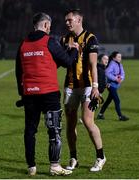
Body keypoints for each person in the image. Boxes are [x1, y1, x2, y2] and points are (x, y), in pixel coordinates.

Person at [15, 12, 79, 176]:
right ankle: (54, 166)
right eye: (49, 26)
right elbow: (67, 62)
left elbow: (19, 72)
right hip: (48, 92)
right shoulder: (49, 41)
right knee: (54, 129)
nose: (50, 29)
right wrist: (74, 50)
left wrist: (22, 93)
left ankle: (31, 166)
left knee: (30, 130)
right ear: (45, 25)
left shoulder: (22, 44)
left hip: (29, 94)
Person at [61, 9, 106, 172]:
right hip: (70, 86)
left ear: (79, 20)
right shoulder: (64, 39)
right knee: (70, 123)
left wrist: (95, 86)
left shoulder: (90, 38)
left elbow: (94, 65)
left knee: (87, 121)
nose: (67, 23)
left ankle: (101, 157)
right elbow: (59, 61)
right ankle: (73, 158)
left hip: (87, 86)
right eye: (66, 20)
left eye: (70, 20)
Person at [97, 51, 129, 121]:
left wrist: (121, 79)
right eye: (118, 57)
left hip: (115, 85)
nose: (120, 58)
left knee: (108, 100)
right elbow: (107, 73)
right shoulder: (112, 64)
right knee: (117, 100)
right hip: (111, 85)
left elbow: (123, 73)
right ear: (114, 58)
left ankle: (100, 114)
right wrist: (115, 79)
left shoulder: (120, 64)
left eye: (120, 57)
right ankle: (120, 116)